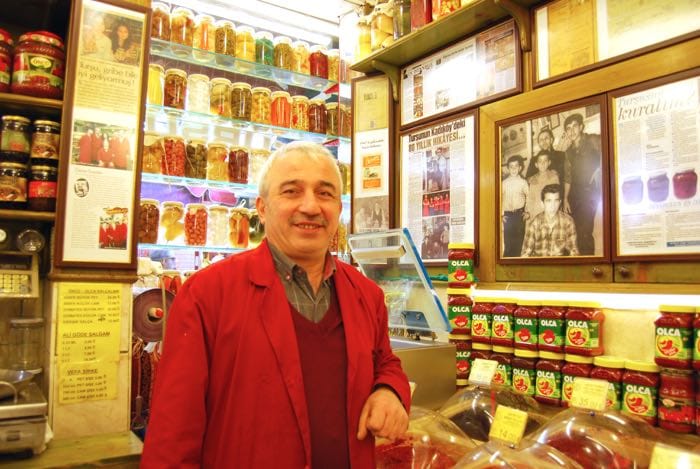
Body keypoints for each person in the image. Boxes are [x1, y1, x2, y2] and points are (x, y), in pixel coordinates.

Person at [141, 142, 410, 468]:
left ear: (339, 210)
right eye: (292, 192)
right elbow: (173, 436)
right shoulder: (207, 294)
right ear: (263, 208)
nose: (310, 206)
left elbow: (386, 363)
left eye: (324, 194)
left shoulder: (366, 295)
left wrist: (390, 391)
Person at [560, 113, 601, 256]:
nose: (571, 131)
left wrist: (599, 170)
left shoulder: (593, 140)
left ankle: (589, 265)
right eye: (568, 128)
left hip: (590, 193)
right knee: (573, 231)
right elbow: (568, 177)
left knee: (585, 231)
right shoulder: (568, 152)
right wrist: (565, 198)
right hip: (574, 195)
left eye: (574, 127)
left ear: (581, 127)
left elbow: (611, 150)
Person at [521, 184, 579, 257]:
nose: (553, 205)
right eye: (549, 201)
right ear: (542, 204)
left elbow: (574, 252)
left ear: (560, 202)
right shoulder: (534, 224)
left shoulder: (568, 222)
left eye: (556, 201)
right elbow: (525, 255)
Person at [501, 154, 528, 257]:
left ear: (520, 168)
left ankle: (517, 261)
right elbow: (499, 199)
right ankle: (507, 261)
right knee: (508, 241)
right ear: (508, 168)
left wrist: (527, 211)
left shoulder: (523, 182)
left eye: (516, 166)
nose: (513, 169)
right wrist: (501, 215)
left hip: (519, 215)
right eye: (511, 166)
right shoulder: (504, 183)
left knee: (519, 240)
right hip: (507, 216)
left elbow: (529, 197)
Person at [525, 152, 560, 220]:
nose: (542, 163)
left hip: (550, 211)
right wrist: (528, 211)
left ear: (549, 162)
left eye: (545, 161)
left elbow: (557, 196)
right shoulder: (533, 179)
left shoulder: (554, 176)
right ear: (536, 164)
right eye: (540, 161)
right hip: (535, 211)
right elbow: (530, 198)